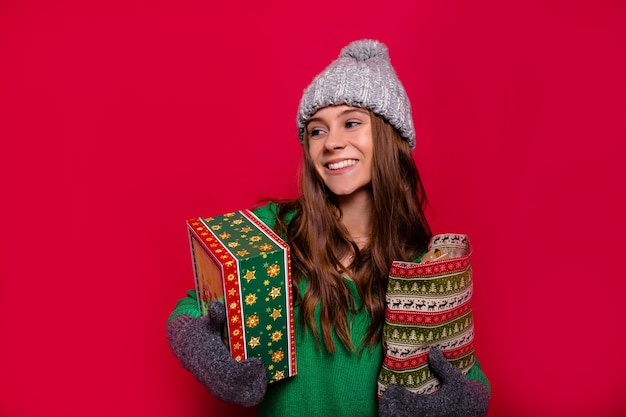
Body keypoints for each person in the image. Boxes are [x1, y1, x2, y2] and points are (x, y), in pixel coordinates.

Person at [166, 39, 491, 417]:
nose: (331, 143)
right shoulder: (271, 228)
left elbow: (466, 374)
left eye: (351, 123)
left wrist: (459, 403)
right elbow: (193, 307)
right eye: (316, 131)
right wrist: (201, 345)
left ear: (390, 137)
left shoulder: (424, 260)